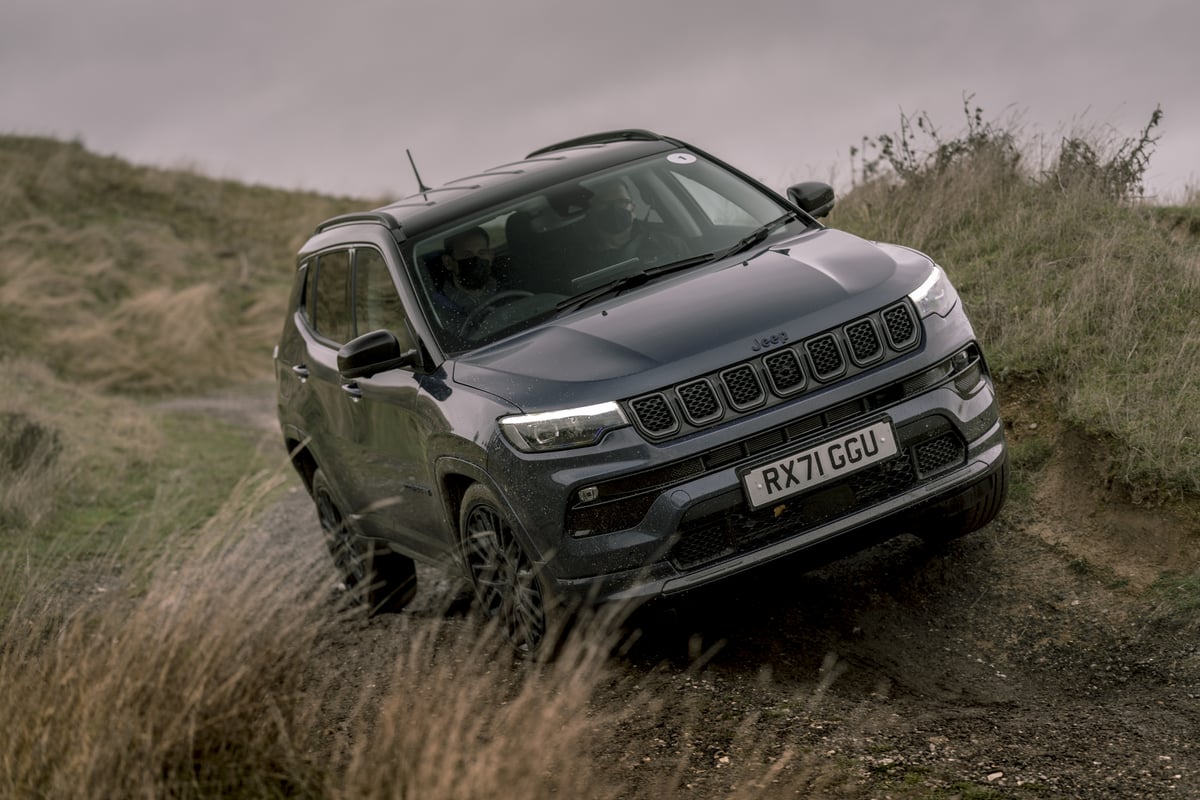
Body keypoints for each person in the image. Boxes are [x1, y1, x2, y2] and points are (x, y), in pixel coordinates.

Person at [583, 178, 682, 268]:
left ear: (633, 208)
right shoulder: (578, 256)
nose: (614, 208)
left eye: (622, 202)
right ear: (592, 211)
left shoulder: (664, 242)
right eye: (604, 203)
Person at [433, 226, 498, 320]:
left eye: (482, 253)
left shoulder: (507, 284)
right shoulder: (441, 307)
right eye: (467, 255)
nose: (476, 260)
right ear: (448, 262)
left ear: (491, 256)